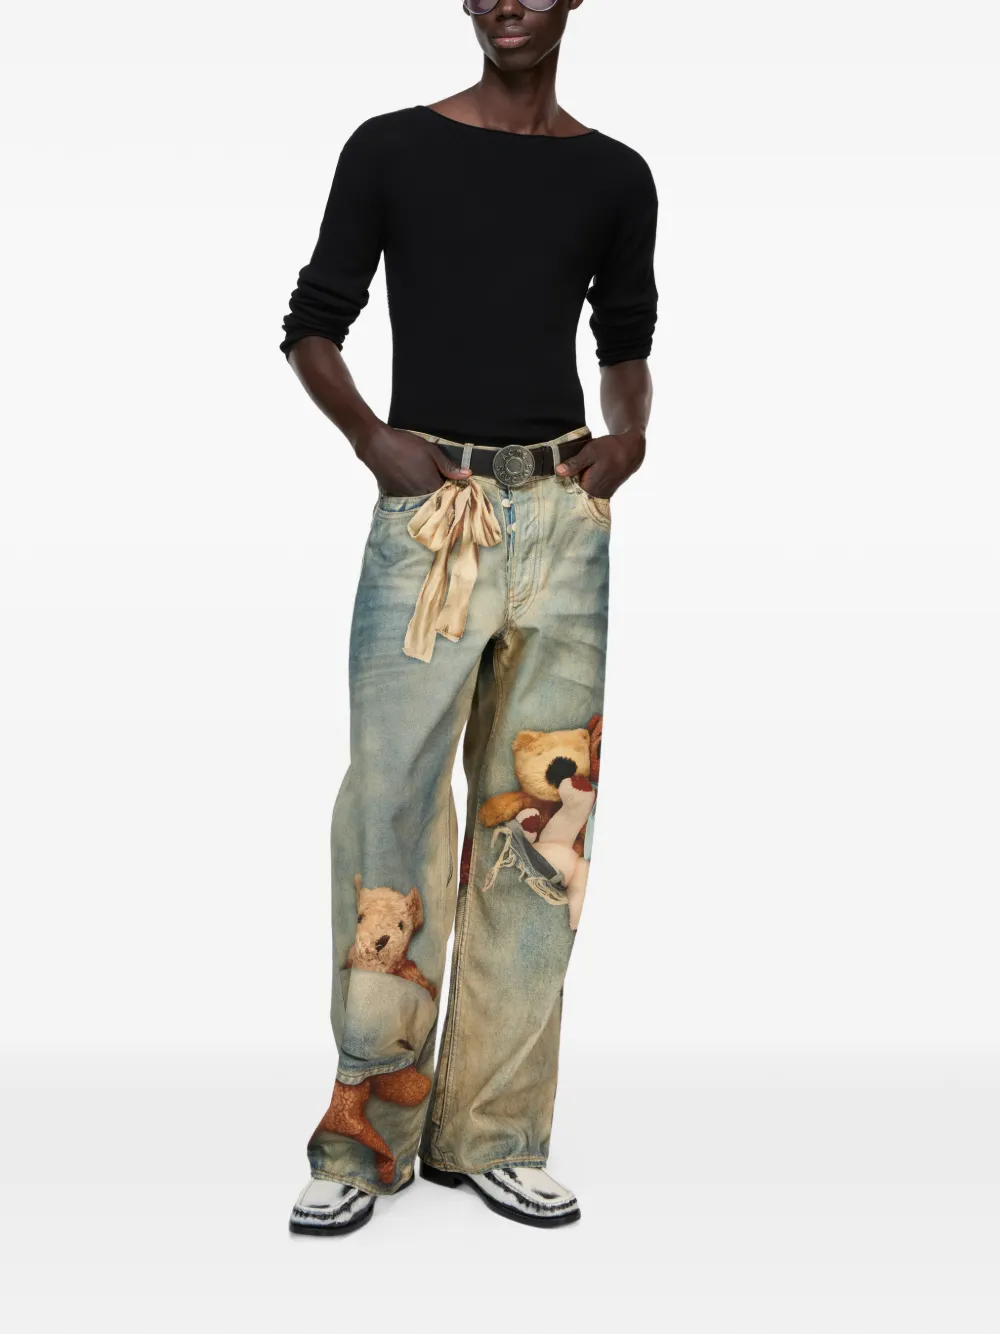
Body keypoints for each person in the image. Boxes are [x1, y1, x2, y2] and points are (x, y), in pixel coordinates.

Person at [280, 0, 657, 1234]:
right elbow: (312, 324)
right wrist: (371, 439)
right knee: (389, 807)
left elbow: (626, 340)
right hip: (431, 518)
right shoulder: (391, 147)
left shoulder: (615, 175)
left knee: (540, 826)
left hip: (561, 518)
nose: (508, 3)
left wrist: (627, 439)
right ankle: (364, 1135)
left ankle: (493, 1130)